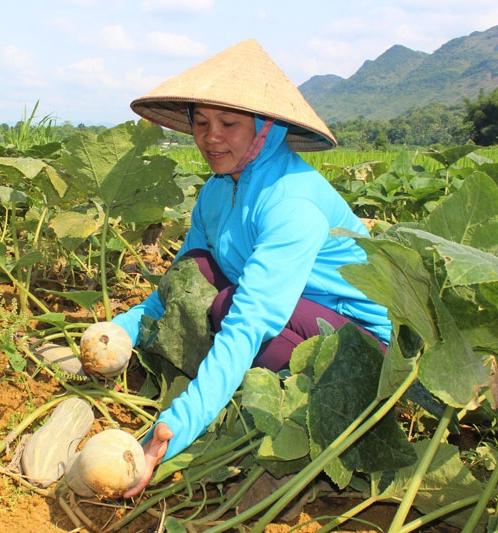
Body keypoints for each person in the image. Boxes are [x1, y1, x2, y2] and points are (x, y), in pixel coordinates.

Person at [110, 39, 392, 498]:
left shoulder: (293, 202)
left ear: (267, 127)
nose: (210, 136)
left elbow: (249, 320)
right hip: (292, 324)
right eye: (200, 122)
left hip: (366, 357)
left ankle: (303, 447)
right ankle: (234, 389)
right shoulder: (218, 190)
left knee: (229, 310)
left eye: (229, 123)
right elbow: (179, 282)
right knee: (198, 269)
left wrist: (166, 436)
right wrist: (119, 333)